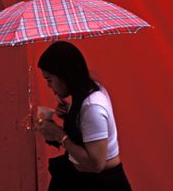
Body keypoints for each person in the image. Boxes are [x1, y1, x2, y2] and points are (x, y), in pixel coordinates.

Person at [35, 41, 132, 191]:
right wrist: (71, 116)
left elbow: (96, 164)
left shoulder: (92, 107)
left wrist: (60, 135)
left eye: (49, 80)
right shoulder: (85, 95)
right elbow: (86, 136)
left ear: (65, 75)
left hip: (102, 184)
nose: (49, 86)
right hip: (81, 179)